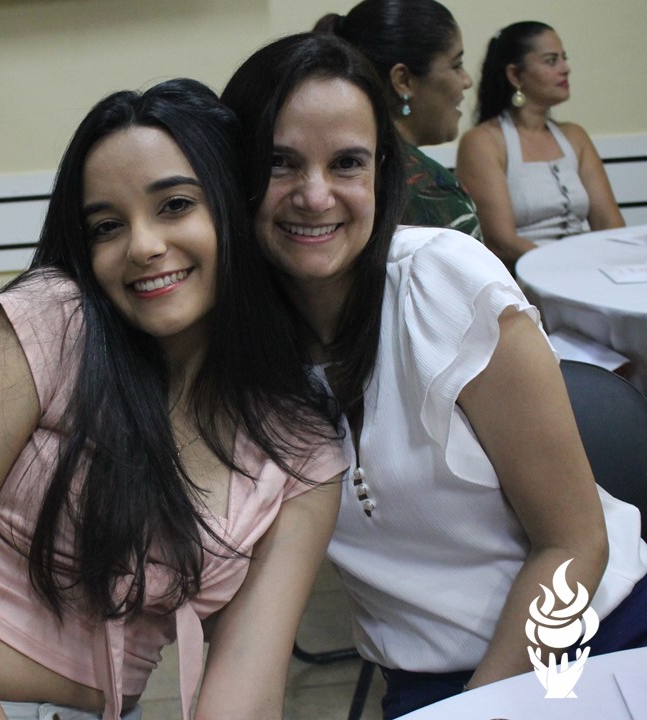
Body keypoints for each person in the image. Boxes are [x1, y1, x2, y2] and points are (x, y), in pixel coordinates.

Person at [0, 79, 347, 720]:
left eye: (174, 205)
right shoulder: (49, 321)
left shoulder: (301, 447)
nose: (142, 246)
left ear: (234, 208)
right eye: (107, 226)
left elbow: (246, 695)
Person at [221, 32, 647, 719]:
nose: (315, 195)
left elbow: (574, 543)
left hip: (593, 639)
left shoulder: (442, 283)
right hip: (427, 685)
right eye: (279, 163)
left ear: (383, 172)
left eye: (347, 163)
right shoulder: (237, 354)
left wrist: (484, 708)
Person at [456, 21, 624, 269]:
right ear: (515, 75)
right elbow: (501, 242)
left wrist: (601, 268)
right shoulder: (483, 142)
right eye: (551, 60)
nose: (565, 68)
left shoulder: (575, 136)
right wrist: (566, 268)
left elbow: (610, 224)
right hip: (525, 277)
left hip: (588, 269)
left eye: (564, 58)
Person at [314, 0, 483, 241]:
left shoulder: (334, 163)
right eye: (457, 65)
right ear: (403, 81)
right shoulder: (431, 193)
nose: (466, 80)